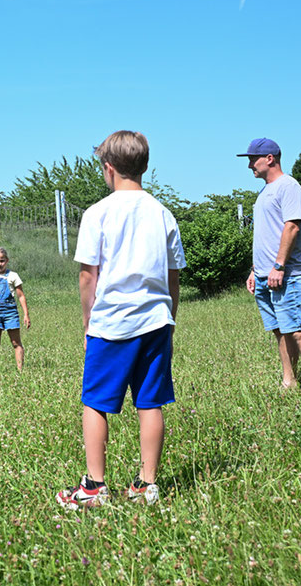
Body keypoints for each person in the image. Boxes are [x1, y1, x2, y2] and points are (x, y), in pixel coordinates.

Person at [56, 130, 185, 510]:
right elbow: (174, 276)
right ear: (144, 165)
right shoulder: (163, 214)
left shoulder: (97, 213)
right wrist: (169, 318)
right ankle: (146, 485)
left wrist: (88, 322)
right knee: (150, 403)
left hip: (111, 324)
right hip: (156, 322)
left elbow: (87, 276)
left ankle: (94, 487)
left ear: (109, 168)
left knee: (95, 402)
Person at [238, 138, 301, 394]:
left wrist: (279, 266)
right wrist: (255, 270)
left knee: (297, 329)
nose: (250, 165)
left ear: (270, 158)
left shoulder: (289, 186)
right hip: (265, 274)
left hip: (285, 274)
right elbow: (266, 235)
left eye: (253, 159)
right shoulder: (265, 192)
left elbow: (292, 226)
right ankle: (289, 380)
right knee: (280, 331)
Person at [0, 247, 31, 370]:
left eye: (2, 261)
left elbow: (21, 296)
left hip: (10, 313)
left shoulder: (13, 276)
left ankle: (20, 370)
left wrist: (26, 314)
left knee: (16, 342)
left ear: (7, 261)